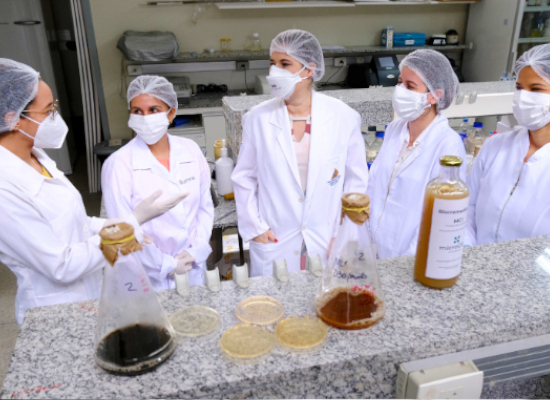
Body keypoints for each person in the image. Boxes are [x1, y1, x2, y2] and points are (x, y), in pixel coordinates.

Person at [0, 59, 185, 326]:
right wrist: (131, 224)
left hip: (90, 294)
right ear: (13, 119)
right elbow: (62, 266)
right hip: (53, 313)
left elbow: (73, 221)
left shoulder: (36, 158)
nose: (56, 117)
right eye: (48, 110)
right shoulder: (5, 188)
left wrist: (116, 227)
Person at [232, 29, 369, 276]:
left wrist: (345, 235)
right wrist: (255, 228)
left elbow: (356, 182)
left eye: (285, 64)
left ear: (308, 69)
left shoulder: (343, 117)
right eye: (273, 63)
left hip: (328, 236)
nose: (275, 72)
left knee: (326, 304)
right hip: (274, 238)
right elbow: (244, 178)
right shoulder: (257, 119)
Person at [102, 75, 213, 290]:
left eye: (153, 110)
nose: (145, 117)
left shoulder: (190, 150)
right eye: (137, 111)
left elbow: (204, 208)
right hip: (148, 276)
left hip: (193, 267)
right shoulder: (118, 164)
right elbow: (124, 228)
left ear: (171, 112)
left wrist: (197, 251)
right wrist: (166, 264)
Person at [367, 49, 466, 259]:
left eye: (410, 86)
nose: (401, 90)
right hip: (374, 250)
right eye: (400, 82)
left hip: (411, 257)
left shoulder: (448, 145)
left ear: (435, 95)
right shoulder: (395, 129)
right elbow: (374, 184)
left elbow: (439, 217)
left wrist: (408, 261)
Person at [465, 44, 550, 246]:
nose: (523, 97)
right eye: (519, 88)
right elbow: (468, 206)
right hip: (475, 264)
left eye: (536, 89)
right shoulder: (496, 146)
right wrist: (466, 249)